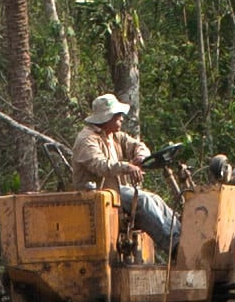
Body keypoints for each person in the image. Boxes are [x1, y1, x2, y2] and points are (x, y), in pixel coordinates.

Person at [67, 91, 182, 261]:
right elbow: (100, 165)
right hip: (98, 195)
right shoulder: (87, 140)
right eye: (118, 115)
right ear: (107, 118)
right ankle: (174, 247)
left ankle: (182, 238)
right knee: (143, 201)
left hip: (115, 192)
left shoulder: (114, 136)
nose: (121, 118)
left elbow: (137, 145)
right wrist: (126, 167)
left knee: (155, 198)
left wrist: (141, 156)